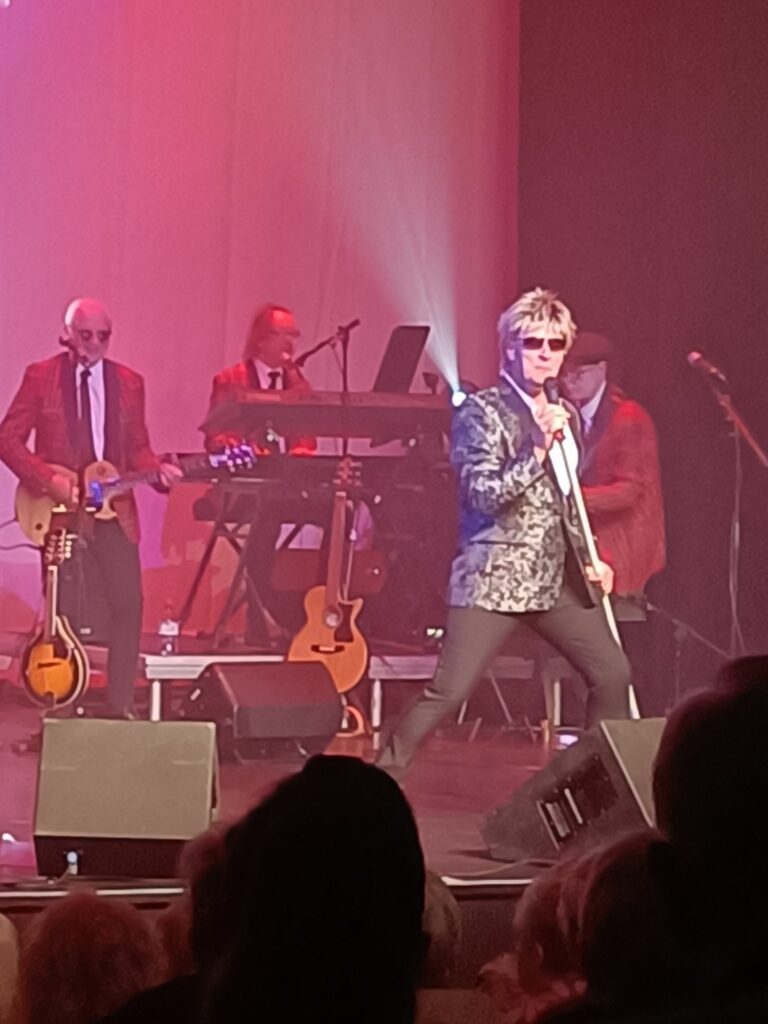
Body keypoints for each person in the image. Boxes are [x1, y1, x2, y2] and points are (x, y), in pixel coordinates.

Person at [377, 287, 631, 780]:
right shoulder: (481, 411)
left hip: (554, 578)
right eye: (533, 342)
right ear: (510, 347)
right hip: (493, 579)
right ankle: (376, 780)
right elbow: (482, 494)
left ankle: (596, 787)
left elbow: (567, 502)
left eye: (555, 344)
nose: (545, 354)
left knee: (612, 673)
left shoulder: (566, 414)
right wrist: (535, 449)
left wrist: (591, 558)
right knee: (448, 691)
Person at [0, 297, 181, 718]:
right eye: (86, 335)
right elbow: (8, 439)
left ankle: (120, 705)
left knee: (128, 603)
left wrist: (159, 472)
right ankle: (63, 704)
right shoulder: (41, 376)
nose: (95, 343)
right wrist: (50, 480)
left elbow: (138, 449)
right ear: (67, 334)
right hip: (60, 509)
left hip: (114, 507)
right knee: (63, 607)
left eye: (104, 335)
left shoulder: (129, 382)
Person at [560, 333, 665, 712]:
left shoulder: (628, 418)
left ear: (601, 370)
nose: (569, 381)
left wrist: (569, 501)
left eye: (578, 373)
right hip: (598, 556)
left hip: (626, 558)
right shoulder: (579, 419)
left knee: (627, 659)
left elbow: (630, 490)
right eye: (565, 373)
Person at [203, 303, 316, 646]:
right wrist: (251, 453)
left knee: (344, 511)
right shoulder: (229, 380)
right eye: (286, 334)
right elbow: (215, 438)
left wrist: (299, 454)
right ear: (263, 339)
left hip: (289, 486)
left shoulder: (298, 385)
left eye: (295, 335)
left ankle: (316, 611)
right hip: (246, 488)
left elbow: (308, 439)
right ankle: (267, 614)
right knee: (266, 514)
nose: (292, 343)